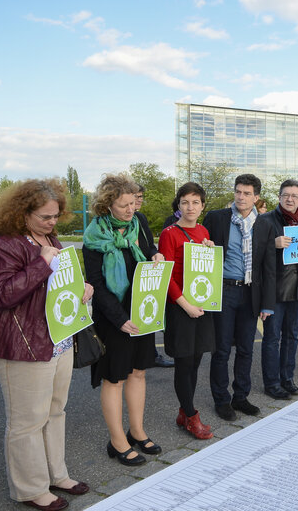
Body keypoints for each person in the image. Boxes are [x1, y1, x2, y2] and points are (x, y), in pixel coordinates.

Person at [0, 179, 92, 511]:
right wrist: (41, 263)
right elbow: (3, 295)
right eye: (45, 217)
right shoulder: (5, 245)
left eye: (56, 215)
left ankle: (55, 474)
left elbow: (58, 286)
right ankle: (30, 488)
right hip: (23, 344)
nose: (52, 222)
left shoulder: (49, 238)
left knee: (55, 412)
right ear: (23, 212)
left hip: (57, 339)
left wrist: (82, 287)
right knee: (27, 420)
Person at [83, 173, 165, 467]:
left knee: (139, 372)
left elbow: (148, 249)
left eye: (133, 203)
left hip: (142, 309)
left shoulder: (138, 223)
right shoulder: (94, 236)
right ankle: (117, 441)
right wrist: (119, 320)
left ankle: (137, 431)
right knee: (114, 378)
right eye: (123, 205)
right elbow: (96, 283)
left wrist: (155, 255)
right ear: (106, 206)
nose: (130, 210)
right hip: (112, 317)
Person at [203, 174, 275, 421]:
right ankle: (221, 400)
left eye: (247, 193)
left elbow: (268, 266)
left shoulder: (264, 223)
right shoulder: (216, 218)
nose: (241, 197)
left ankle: (240, 396)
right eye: (238, 192)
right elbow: (200, 247)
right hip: (224, 290)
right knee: (221, 349)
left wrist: (267, 303)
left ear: (256, 197)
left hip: (251, 293)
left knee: (246, 348)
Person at [158, 183, 216, 440]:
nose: (190, 207)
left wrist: (210, 252)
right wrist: (186, 306)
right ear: (178, 205)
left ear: (203, 206)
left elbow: (205, 270)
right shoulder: (169, 233)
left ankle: (184, 411)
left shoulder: (203, 230)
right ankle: (191, 416)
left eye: (195, 202)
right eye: (185, 202)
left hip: (201, 304)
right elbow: (166, 275)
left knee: (195, 361)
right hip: (181, 306)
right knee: (183, 363)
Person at [259, 179, 298, 398]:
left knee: (292, 335)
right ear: (279, 197)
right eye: (286, 195)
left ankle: (287, 378)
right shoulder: (265, 220)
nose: (290, 199)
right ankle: (271, 383)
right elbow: (254, 252)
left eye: (294, 196)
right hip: (275, 288)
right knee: (272, 338)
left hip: (297, 287)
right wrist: (273, 243)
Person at [135, 185, 175, 368]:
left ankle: (151, 355)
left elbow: (150, 245)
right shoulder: (106, 224)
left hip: (146, 278)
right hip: (128, 281)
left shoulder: (140, 218)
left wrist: (154, 254)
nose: (140, 200)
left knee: (148, 316)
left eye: (141, 196)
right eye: (136, 196)